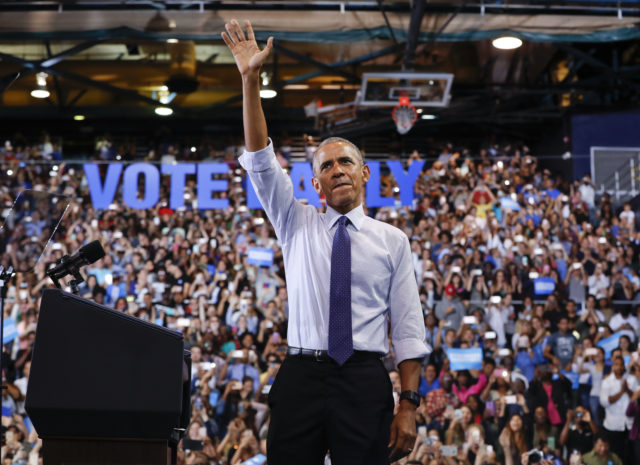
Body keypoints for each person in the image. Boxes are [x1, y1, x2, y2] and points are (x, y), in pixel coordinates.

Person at [222, 19, 429, 464]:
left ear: (364, 173)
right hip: (302, 374)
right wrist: (250, 79)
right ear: (316, 184)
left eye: (345, 162)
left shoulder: (393, 241)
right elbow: (260, 160)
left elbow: (409, 329)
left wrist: (409, 405)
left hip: (364, 378)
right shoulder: (294, 222)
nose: (336, 169)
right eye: (327, 166)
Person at [599, 356, 632, 463]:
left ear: (624, 366)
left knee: (629, 455)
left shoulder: (631, 379)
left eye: (621, 364)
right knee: (614, 456)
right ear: (613, 366)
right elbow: (604, 402)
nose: (619, 367)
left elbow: (637, 399)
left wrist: (627, 390)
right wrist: (621, 392)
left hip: (629, 425)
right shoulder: (607, 382)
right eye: (616, 364)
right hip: (613, 425)